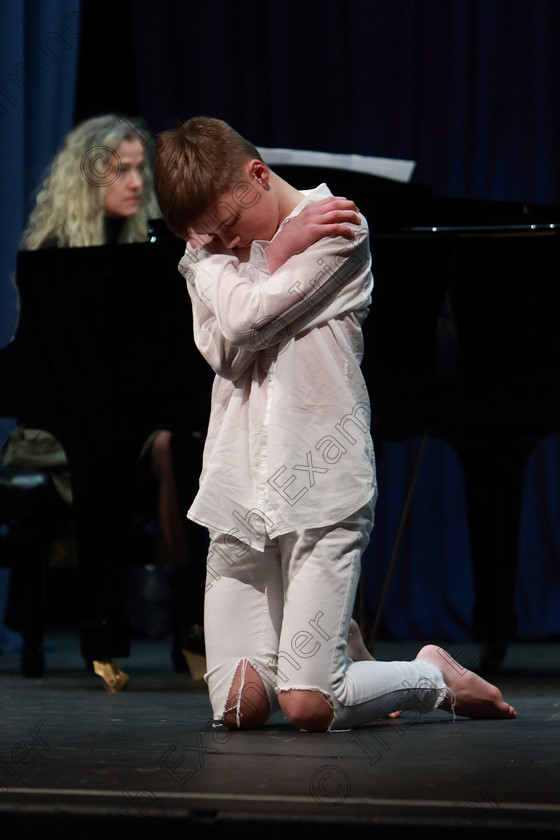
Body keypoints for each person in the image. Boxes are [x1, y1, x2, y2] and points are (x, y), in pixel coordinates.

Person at [153, 116, 516, 731]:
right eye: (211, 241)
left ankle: (432, 675)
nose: (227, 248)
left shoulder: (337, 226)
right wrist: (259, 253)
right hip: (239, 491)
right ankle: (336, 647)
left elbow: (242, 324)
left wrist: (248, 258)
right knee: (239, 707)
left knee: (308, 705)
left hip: (321, 481)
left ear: (257, 177)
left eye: (231, 230)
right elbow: (220, 353)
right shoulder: (214, 246)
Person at [1, 114, 205, 689]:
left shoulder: (158, 250)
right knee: (135, 447)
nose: (137, 182)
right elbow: (49, 363)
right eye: (122, 170)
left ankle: (190, 623)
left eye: (141, 169)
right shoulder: (52, 252)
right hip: (60, 424)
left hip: (137, 419)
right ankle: (121, 630)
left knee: (180, 446)